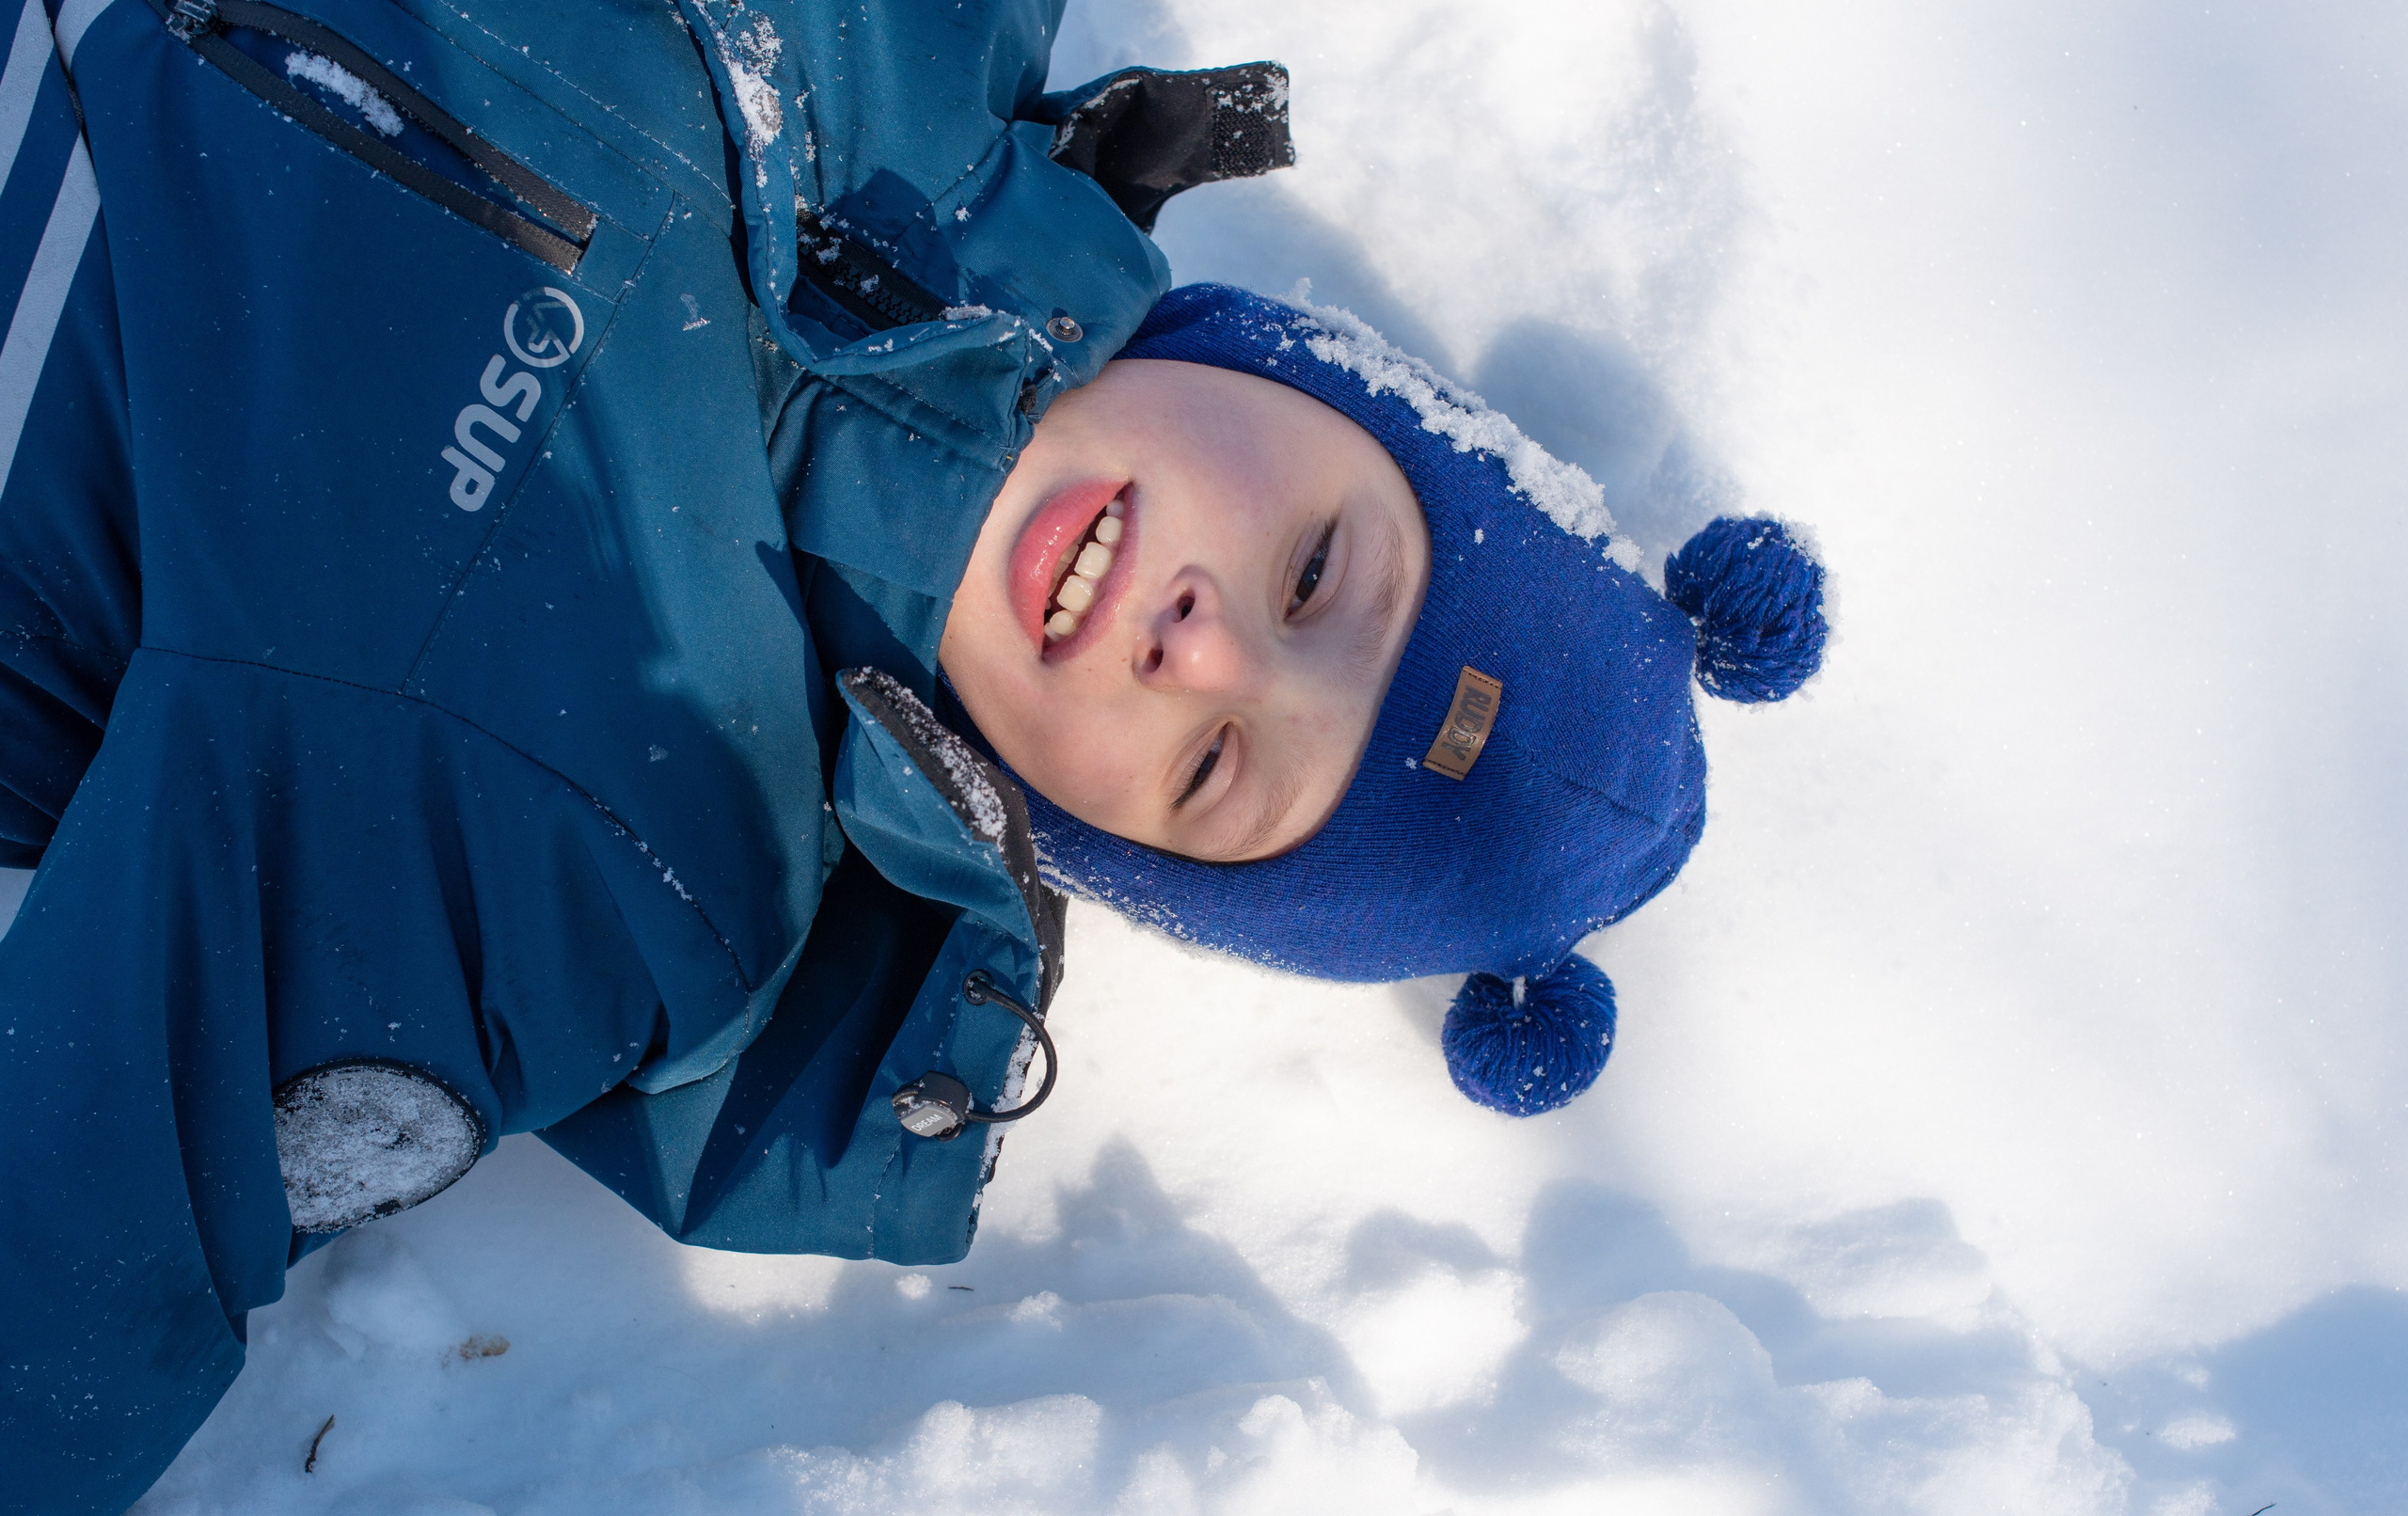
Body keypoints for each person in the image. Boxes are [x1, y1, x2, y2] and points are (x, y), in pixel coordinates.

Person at [0, 0, 1823, 1508]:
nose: (1199, 647)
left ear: (1096, 839)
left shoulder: (627, 836)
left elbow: (85, 1232)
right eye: (1316, 569)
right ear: (1303, 378)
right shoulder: (913, 35)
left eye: (1206, 769)